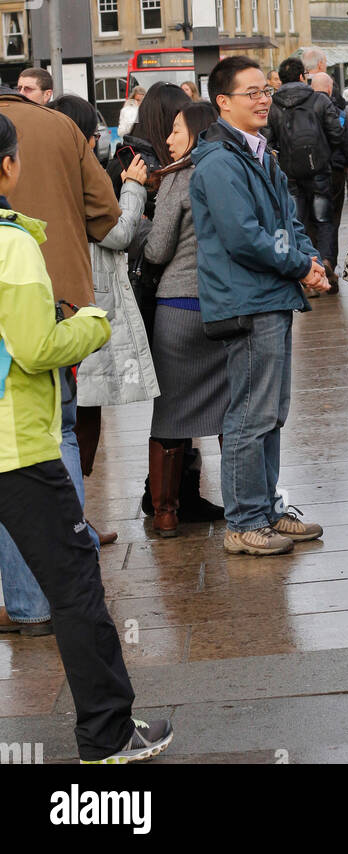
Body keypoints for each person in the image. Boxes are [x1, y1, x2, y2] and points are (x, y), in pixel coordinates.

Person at [0, 113, 173, 761]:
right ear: (9, 166)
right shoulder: (10, 243)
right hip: (17, 445)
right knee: (76, 584)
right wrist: (93, 325)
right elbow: (39, 346)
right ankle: (106, 733)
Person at [188, 56, 329, 556]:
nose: (263, 98)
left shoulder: (258, 151)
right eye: (251, 92)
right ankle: (244, 522)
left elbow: (287, 219)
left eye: (264, 89)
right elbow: (243, 237)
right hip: (247, 300)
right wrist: (298, 267)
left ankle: (267, 509)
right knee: (250, 415)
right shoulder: (222, 160)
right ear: (222, 102)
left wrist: (310, 257)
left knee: (272, 411)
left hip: (270, 295)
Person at [0, 83, 121, 632]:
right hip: (58, 299)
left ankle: (28, 602)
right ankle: (58, 582)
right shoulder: (59, 125)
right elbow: (107, 212)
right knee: (57, 437)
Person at [47, 96, 159, 503]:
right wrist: (132, 188)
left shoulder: (40, 169)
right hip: (84, 297)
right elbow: (116, 233)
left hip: (53, 296)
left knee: (69, 412)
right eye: (94, 134)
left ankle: (75, 516)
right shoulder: (77, 171)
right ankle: (77, 516)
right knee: (80, 416)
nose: (98, 141)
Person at [143, 100, 229, 537]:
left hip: (178, 307)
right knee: (229, 412)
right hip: (225, 307)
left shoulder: (178, 178)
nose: (170, 139)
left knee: (171, 411)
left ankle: (165, 511)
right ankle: (243, 502)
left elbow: (157, 249)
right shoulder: (234, 170)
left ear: (195, 132)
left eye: (176, 130)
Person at [268, 57, 344, 291]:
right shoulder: (319, 100)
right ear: (303, 76)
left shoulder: (273, 105)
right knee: (324, 219)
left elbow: (269, 141)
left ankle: (307, 271)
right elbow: (337, 134)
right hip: (319, 169)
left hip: (289, 172)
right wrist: (324, 154)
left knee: (297, 221)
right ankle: (327, 262)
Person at [309, 71, 348, 282]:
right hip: (333, 172)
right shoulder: (336, 112)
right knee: (330, 220)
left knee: (308, 221)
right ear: (330, 88)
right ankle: (329, 264)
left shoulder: (297, 112)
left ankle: (311, 269)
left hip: (303, 174)